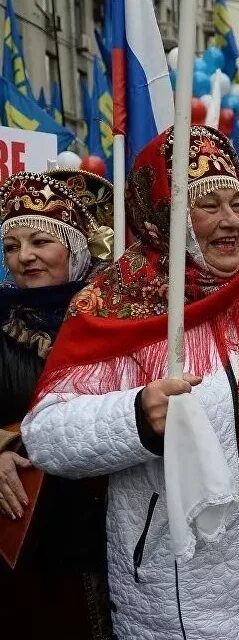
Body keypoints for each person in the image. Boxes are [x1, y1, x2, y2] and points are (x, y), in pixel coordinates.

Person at [20, 126, 239, 640]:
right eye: (208, 206)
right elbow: (45, 434)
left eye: (237, 203)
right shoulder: (111, 303)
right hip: (180, 606)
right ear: (164, 213)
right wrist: (135, 417)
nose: (231, 222)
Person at [0, 171, 114, 639]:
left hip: (104, 532)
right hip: (18, 532)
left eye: (40, 241)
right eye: (11, 245)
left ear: (76, 248)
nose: (23, 257)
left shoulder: (114, 321)